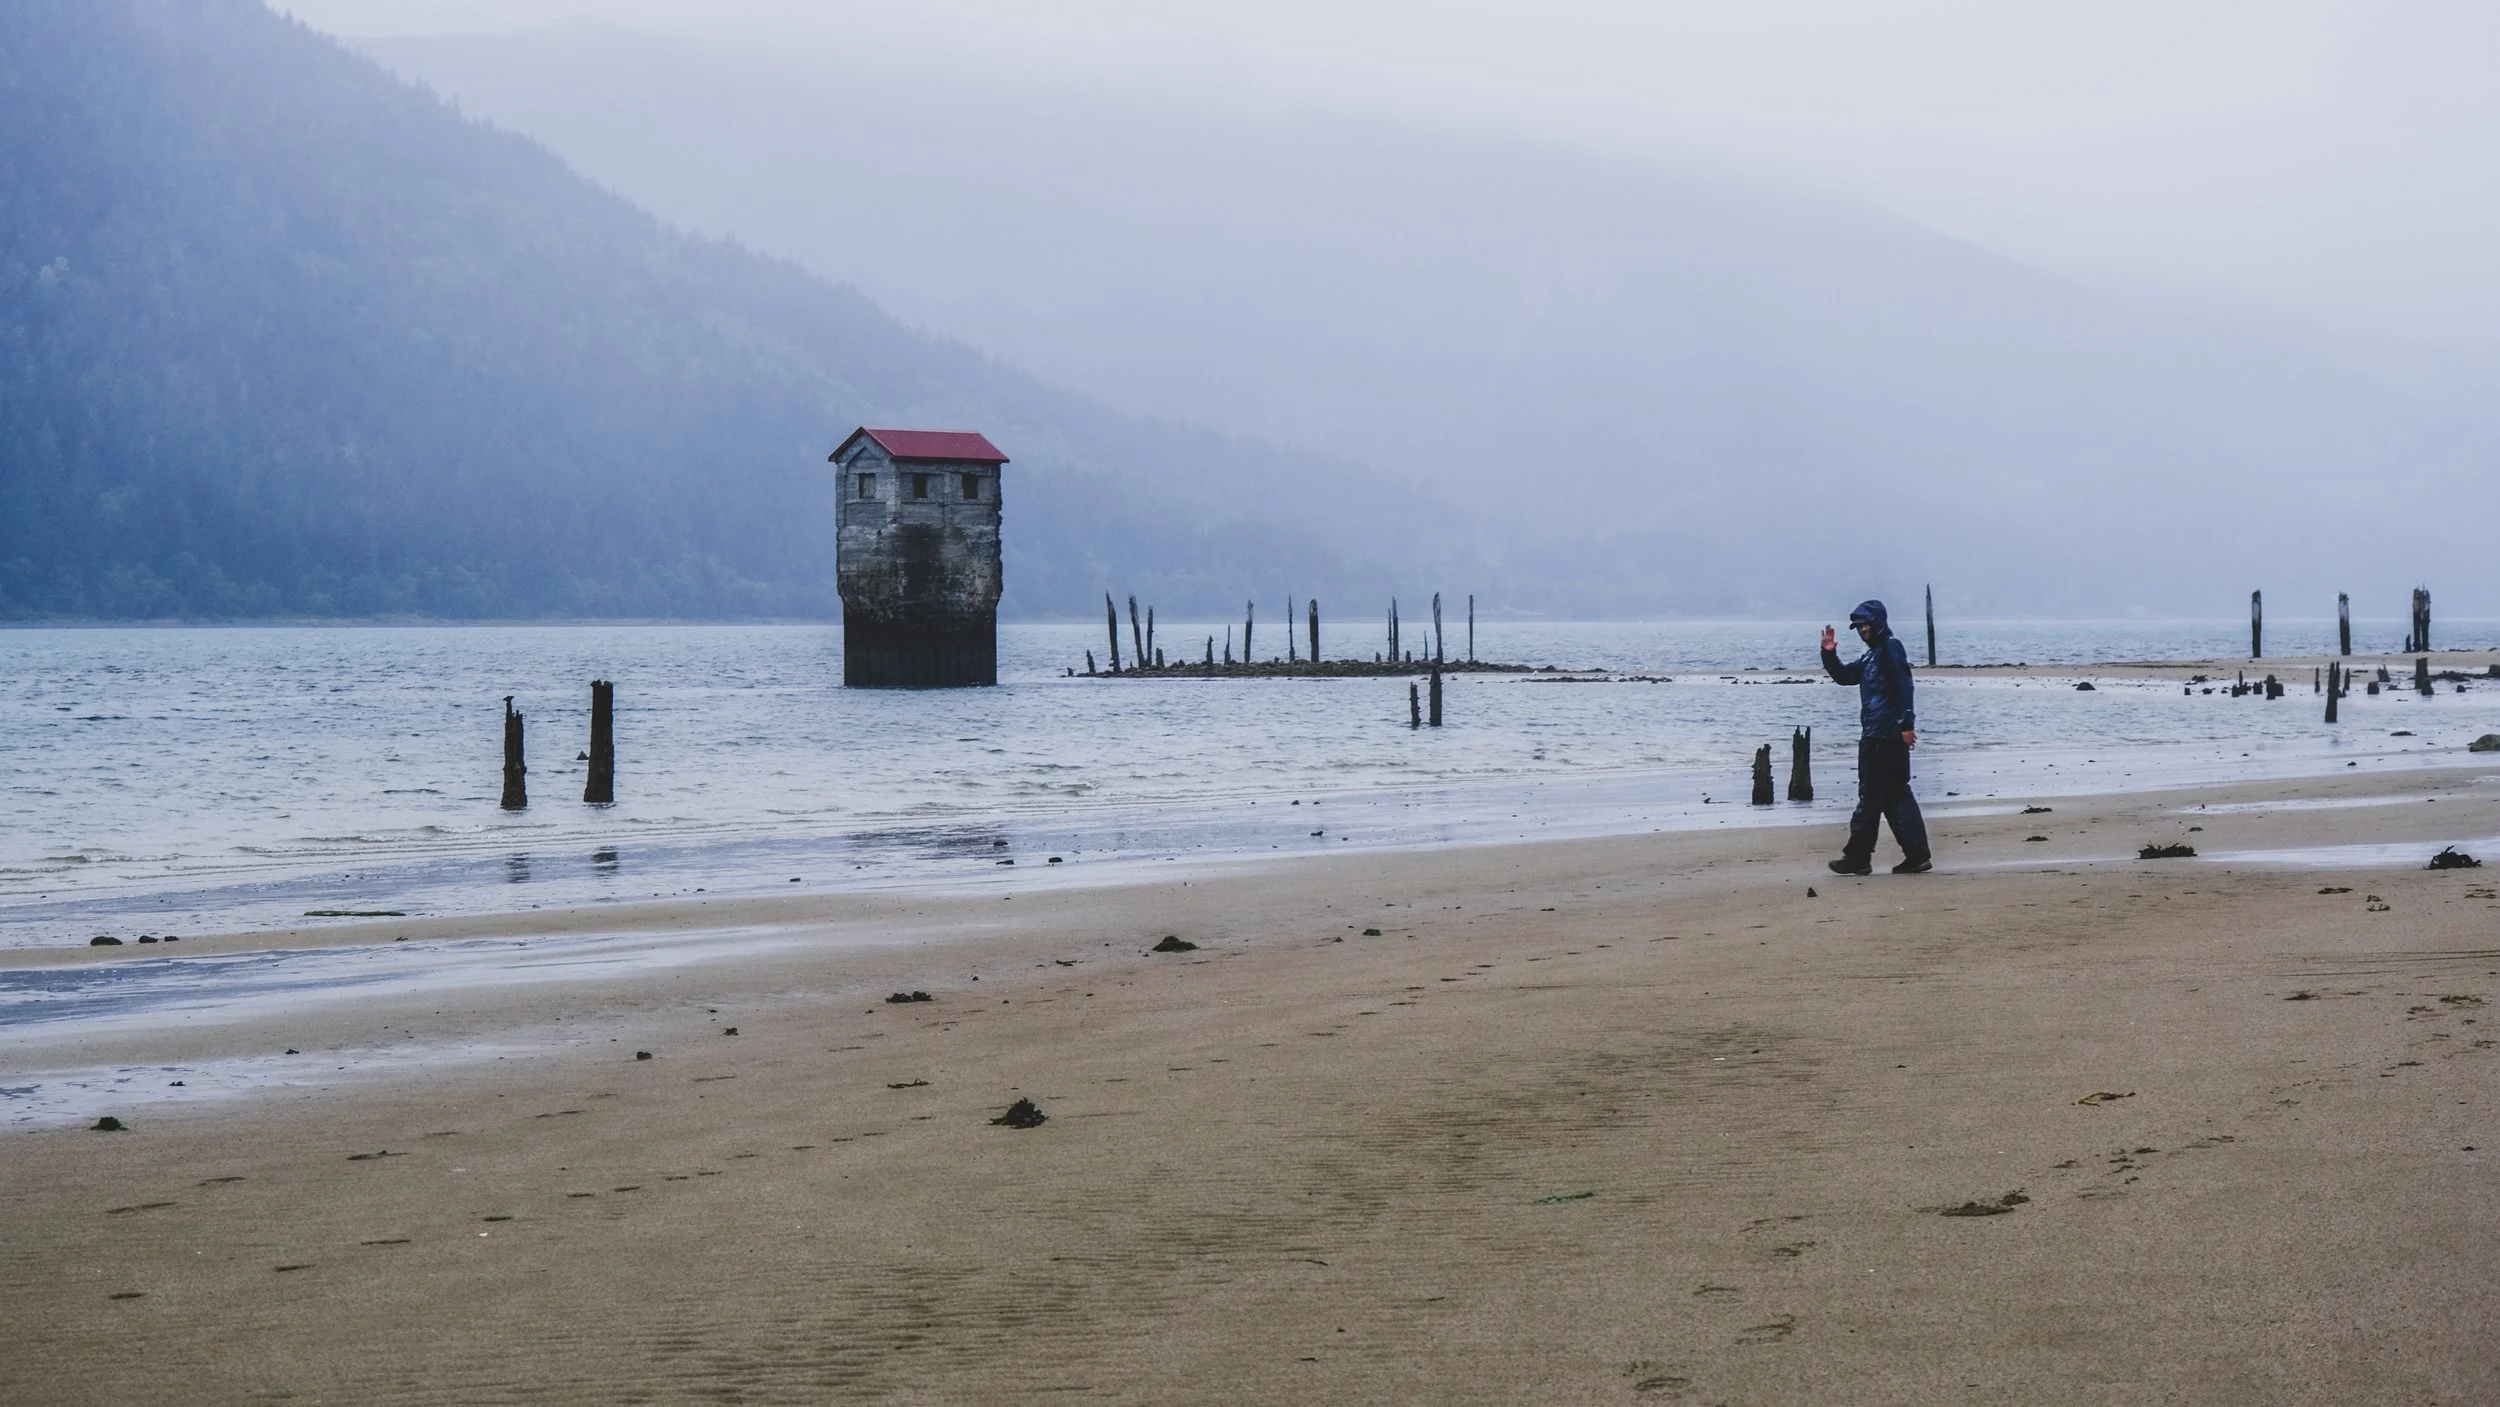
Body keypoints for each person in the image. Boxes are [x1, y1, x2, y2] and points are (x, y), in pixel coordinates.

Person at [1819, 600, 1931, 875]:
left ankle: (1858, 857)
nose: (1863, 630)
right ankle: (1917, 855)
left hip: (1884, 736)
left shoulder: (1891, 648)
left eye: (1866, 624)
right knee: (1895, 797)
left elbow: (1904, 684)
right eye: (1858, 627)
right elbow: (1845, 677)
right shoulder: (1870, 657)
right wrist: (1829, 654)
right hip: (1875, 734)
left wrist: (1907, 724)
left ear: (1879, 622)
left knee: (1871, 797)